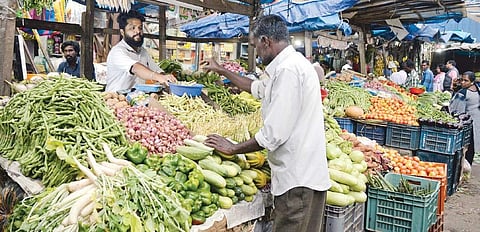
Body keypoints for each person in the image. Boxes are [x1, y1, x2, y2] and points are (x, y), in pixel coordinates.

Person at [202, 15, 330, 232]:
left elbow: (273, 134)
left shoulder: (288, 71)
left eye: (255, 46)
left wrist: (233, 148)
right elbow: (256, 88)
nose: (256, 53)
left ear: (265, 41)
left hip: (297, 182)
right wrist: (222, 70)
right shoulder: (290, 65)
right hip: (304, 178)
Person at [106, 10, 176, 92]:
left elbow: (156, 70)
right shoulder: (117, 52)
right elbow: (135, 68)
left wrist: (166, 77)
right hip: (116, 99)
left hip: (136, 99)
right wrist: (157, 77)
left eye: (140, 28)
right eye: (132, 28)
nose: (138, 31)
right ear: (122, 32)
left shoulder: (143, 51)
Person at [449, 71, 480, 166]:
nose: (462, 82)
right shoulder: (477, 89)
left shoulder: (463, 93)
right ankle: (467, 168)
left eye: (465, 80)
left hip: (468, 124)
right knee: (472, 147)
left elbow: (455, 109)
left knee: (465, 148)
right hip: (476, 122)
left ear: (472, 81)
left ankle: (462, 169)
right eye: (461, 80)